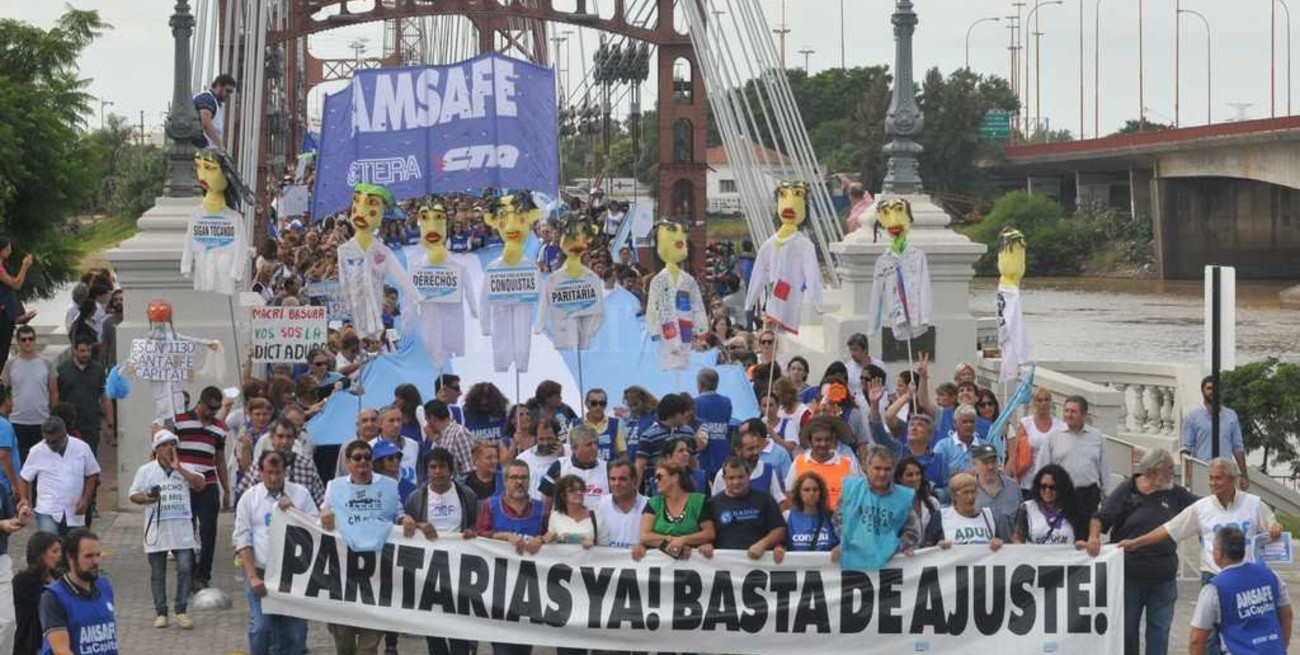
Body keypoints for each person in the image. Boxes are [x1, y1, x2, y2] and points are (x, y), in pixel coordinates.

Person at [1118, 457, 1283, 655]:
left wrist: (1275, 528)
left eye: (1218, 479)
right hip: (1214, 578)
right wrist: (1135, 542)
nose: (1213, 483)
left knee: (1243, 632)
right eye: (1211, 478)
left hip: (1245, 581)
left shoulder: (1254, 504)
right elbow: (1170, 529)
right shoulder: (1202, 508)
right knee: (1209, 637)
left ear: (1232, 479)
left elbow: (1272, 525)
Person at [1086, 448, 1198, 655]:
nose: (1173, 474)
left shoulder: (1175, 493)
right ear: (1154, 472)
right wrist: (1094, 537)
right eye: (1169, 469)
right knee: (1127, 631)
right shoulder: (1127, 490)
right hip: (1129, 575)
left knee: (1160, 631)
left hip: (1164, 574)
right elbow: (1100, 518)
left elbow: (1203, 508)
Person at [321, 440, 405, 655]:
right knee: (345, 646)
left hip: (377, 575)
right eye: (357, 457)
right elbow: (322, 516)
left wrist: (407, 520)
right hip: (344, 577)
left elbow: (399, 514)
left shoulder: (388, 485)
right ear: (348, 462)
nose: (363, 462)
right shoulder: (335, 486)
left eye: (367, 457)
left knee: (368, 649)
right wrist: (324, 515)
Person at [234, 450, 318, 655]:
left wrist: (295, 512)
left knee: (295, 634)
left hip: (294, 575)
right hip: (262, 572)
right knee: (261, 628)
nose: (274, 478)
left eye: (278, 473)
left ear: (285, 471)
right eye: (269, 472)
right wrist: (252, 576)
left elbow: (316, 530)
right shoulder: (250, 498)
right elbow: (242, 539)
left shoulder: (300, 494)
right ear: (260, 472)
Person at [403, 447, 479, 655]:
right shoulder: (415, 498)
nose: (437, 471)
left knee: (459, 627)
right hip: (428, 572)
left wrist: (473, 531)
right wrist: (419, 525)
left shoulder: (467, 495)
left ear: (451, 469)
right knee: (433, 629)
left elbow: (475, 523)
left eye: (442, 466)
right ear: (426, 471)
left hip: (459, 570)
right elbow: (405, 529)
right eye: (432, 467)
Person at [127, 430, 205, 629]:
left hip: (182, 530)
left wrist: (180, 469)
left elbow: (200, 485)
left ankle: (181, 610)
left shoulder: (186, 467)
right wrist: (148, 498)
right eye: (165, 445)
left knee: (186, 568)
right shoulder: (146, 470)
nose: (170, 448)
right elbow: (133, 495)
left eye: (172, 444)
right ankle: (161, 612)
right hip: (157, 529)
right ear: (157, 449)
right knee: (158, 572)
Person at [476, 459, 547, 655]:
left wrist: (542, 539)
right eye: (514, 477)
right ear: (505, 481)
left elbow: (553, 539)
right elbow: (478, 537)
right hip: (497, 591)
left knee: (524, 649)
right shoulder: (490, 506)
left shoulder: (542, 509)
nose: (519, 482)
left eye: (523, 477)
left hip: (529, 593)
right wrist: (502, 536)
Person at [1189, 525, 1293, 655]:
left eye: (1214, 548)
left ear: (1220, 553)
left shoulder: (1214, 588)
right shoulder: (1270, 575)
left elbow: (1197, 639)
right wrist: (1282, 646)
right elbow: (1287, 614)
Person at [172, 386, 230, 591]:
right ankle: (188, 571)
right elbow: (168, 452)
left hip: (210, 483)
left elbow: (220, 460)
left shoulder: (220, 428)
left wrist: (226, 490)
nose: (212, 414)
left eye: (216, 410)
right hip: (184, 483)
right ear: (201, 403)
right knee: (186, 529)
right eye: (209, 409)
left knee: (209, 531)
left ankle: (203, 575)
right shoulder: (179, 421)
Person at [835, 445, 919, 571]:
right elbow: (839, 521)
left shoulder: (903, 497)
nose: (882, 474)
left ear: (893, 470)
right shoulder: (851, 490)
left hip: (891, 565)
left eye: (887, 469)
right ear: (867, 468)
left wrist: (895, 546)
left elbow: (912, 532)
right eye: (877, 468)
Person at [39, 529, 118, 655]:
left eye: (98, 555)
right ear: (71, 558)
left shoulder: (104, 586)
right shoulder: (53, 597)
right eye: (89, 556)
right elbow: (61, 651)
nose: (96, 561)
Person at [17, 417, 98, 536]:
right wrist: (24, 498)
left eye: (54, 441)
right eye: (47, 441)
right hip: (47, 509)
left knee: (73, 549)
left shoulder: (82, 448)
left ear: (64, 435)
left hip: (74, 510)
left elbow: (92, 474)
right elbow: (24, 478)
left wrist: (85, 499)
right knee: (49, 545)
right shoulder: (37, 451)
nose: (50, 445)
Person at [1034, 395, 1109, 515]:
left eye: (1073, 412)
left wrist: (1107, 496)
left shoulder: (1097, 437)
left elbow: (1104, 469)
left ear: (1084, 414)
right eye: (1066, 411)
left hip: (1088, 496)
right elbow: (1042, 469)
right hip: (1061, 494)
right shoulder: (1053, 437)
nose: (1068, 415)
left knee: (1086, 533)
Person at [701, 456, 785, 560]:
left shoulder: (765, 499)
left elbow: (779, 530)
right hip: (725, 566)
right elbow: (706, 534)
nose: (736, 482)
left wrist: (763, 544)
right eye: (731, 478)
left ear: (749, 475)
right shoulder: (712, 504)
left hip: (759, 562)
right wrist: (706, 545)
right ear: (724, 479)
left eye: (740, 477)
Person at [236, 418, 326, 507]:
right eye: (280, 436)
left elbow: (321, 502)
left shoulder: (307, 465)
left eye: (289, 437)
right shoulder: (259, 463)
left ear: (295, 439)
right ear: (272, 438)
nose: (284, 441)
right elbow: (245, 500)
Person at [637, 459, 714, 561]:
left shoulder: (698, 501)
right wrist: (672, 541)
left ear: (675, 477)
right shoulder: (653, 503)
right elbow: (644, 536)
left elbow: (709, 533)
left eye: (659, 477)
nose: (656, 481)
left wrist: (684, 540)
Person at [1181, 375, 1249, 490]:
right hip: (1202, 471)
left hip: (1226, 472)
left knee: (1225, 505)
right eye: (1209, 388)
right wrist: (1187, 476)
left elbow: (1238, 448)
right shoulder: (1193, 417)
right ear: (1203, 391)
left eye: (1216, 388)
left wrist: (1244, 474)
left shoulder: (1231, 416)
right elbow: (1186, 449)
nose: (1212, 391)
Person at [1, 325, 55, 464]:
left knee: (43, 462)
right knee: (19, 462)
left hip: (42, 420)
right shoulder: (10, 364)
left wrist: (53, 416)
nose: (27, 342)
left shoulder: (46, 363)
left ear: (35, 340)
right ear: (18, 342)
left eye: (30, 339)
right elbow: (4, 391)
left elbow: (54, 391)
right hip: (17, 421)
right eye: (23, 339)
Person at [55, 336, 113, 455]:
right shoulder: (62, 370)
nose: (86, 354)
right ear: (74, 351)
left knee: (90, 460)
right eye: (82, 351)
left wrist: (110, 424)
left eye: (89, 351)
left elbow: (106, 398)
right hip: (68, 425)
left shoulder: (98, 370)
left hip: (91, 425)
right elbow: (55, 397)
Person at [785, 416, 858, 508]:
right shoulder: (799, 462)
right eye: (818, 440)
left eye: (827, 439)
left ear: (832, 441)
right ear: (810, 442)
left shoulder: (848, 463)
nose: (823, 444)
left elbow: (858, 493)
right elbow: (789, 493)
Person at [1006, 388, 1064, 498]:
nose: (1043, 403)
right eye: (1039, 400)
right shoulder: (1026, 423)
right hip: (1027, 482)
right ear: (1034, 403)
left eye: (1046, 400)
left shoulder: (1059, 425)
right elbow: (1015, 453)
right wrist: (1015, 478)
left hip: (1051, 483)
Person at [926, 473, 1005, 550]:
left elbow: (1000, 543)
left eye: (973, 492)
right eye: (965, 492)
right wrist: (938, 546)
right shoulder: (941, 517)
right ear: (954, 495)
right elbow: (926, 548)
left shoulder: (987, 516)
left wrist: (998, 544)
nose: (970, 497)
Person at [1013, 464, 1088, 546]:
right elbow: (1018, 539)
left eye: (1052, 487)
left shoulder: (1075, 509)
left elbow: (1082, 539)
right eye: (1043, 486)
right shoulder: (1027, 508)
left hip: (1066, 558)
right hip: (1035, 558)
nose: (1047, 490)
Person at [774, 470, 837, 562]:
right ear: (799, 493)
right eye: (806, 490)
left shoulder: (832, 518)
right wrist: (779, 548)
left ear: (821, 492)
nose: (811, 493)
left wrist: (839, 549)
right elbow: (780, 543)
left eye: (815, 489)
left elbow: (844, 543)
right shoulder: (787, 517)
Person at [633, 393, 693, 487]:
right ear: (672, 413)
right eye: (682, 413)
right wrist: (634, 491)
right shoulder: (649, 436)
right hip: (656, 488)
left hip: (684, 487)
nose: (685, 415)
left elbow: (694, 461)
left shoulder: (688, 432)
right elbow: (640, 466)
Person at [540, 425, 608, 509]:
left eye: (596, 443)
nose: (594, 448)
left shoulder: (608, 468)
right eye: (589, 444)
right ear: (574, 448)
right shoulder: (559, 466)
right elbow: (545, 502)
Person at [13, 531, 59, 655]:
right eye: (54, 552)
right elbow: (46, 603)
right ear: (40, 554)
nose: (58, 555)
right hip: (32, 643)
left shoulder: (58, 576)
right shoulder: (24, 580)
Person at [892, 413, 949, 500]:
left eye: (920, 425)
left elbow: (949, 491)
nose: (914, 428)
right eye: (911, 425)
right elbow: (878, 430)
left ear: (930, 436)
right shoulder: (898, 453)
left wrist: (932, 492)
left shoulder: (940, 460)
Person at [596, 459, 647, 550]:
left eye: (622, 479)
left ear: (634, 480)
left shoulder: (649, 505)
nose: (616, 483)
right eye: (613, 479)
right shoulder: (601, 504)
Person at [693, 368, 734, 478]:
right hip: (722, 449)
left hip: (703, 453)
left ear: (700, 384)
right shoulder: (726, 402)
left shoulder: (695, 403)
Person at [971, 444, 1019, 534]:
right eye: (985, 463)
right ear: (974, 465)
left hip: (1011, 546)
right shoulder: (968, 489)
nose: (991, 466)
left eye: (993, 462)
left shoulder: (1013, 487)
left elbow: (1022, 521)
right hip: (979, 546)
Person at [422, 399, 474, 477]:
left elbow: (470, 469)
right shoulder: (437, 439)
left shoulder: (459, 433)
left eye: (426, 419)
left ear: (432, 418)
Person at [894, 457, 941, 542]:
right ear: (900, 479)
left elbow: (940, 532)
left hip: (931, 553)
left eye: (918, 474)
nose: (915, 478)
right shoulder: (893, 506)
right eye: (909, 475)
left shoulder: (933, 503)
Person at [545, 474, 597, 547]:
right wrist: (578, 540)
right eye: (572, 490)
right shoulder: (555, 516)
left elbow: (605, 546)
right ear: (562, 495)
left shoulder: (596, 515)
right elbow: (550, 539)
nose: (579, 493)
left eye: (581, 489)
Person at [573, 388, 625, 461]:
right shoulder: (574, 424)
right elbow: (570, 451)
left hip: (607, 470)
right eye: (594, 403)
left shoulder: (615, 424)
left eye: (602, 403)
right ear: (586, 404)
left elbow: (623, 453)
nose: (598, 407)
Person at [932, 404, 984, 475]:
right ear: (954, 423)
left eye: (972, 422)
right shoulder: (943, 446)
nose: (969, 425)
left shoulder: (984, 446)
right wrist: (967, 474)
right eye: (964, 422)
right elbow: (935, 472)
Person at [193, 73, 237, 151]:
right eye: (227, 91)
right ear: (219, 86)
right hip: (201, 151)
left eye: (231, 92)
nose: (228, 95)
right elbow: (206, 123)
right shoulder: (207, 99)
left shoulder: (214, 102)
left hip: (205, 151)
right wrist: (220, 145)